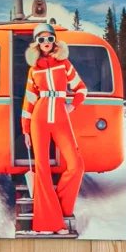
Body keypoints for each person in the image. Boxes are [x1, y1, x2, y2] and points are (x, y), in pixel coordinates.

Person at [20, 21, 85, 236]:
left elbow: (81, 89)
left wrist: (71, 105)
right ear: (37, 43)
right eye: (42, 39)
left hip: (60, 117)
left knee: (76, 165)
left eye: (49, 38)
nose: (46, 42)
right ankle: (49, 224)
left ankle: (59, 208)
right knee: (42, 170)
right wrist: (25, 130)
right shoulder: (33, 69)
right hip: (39, 118)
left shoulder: (64, 64)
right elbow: (29, 100)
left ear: (54, 40)